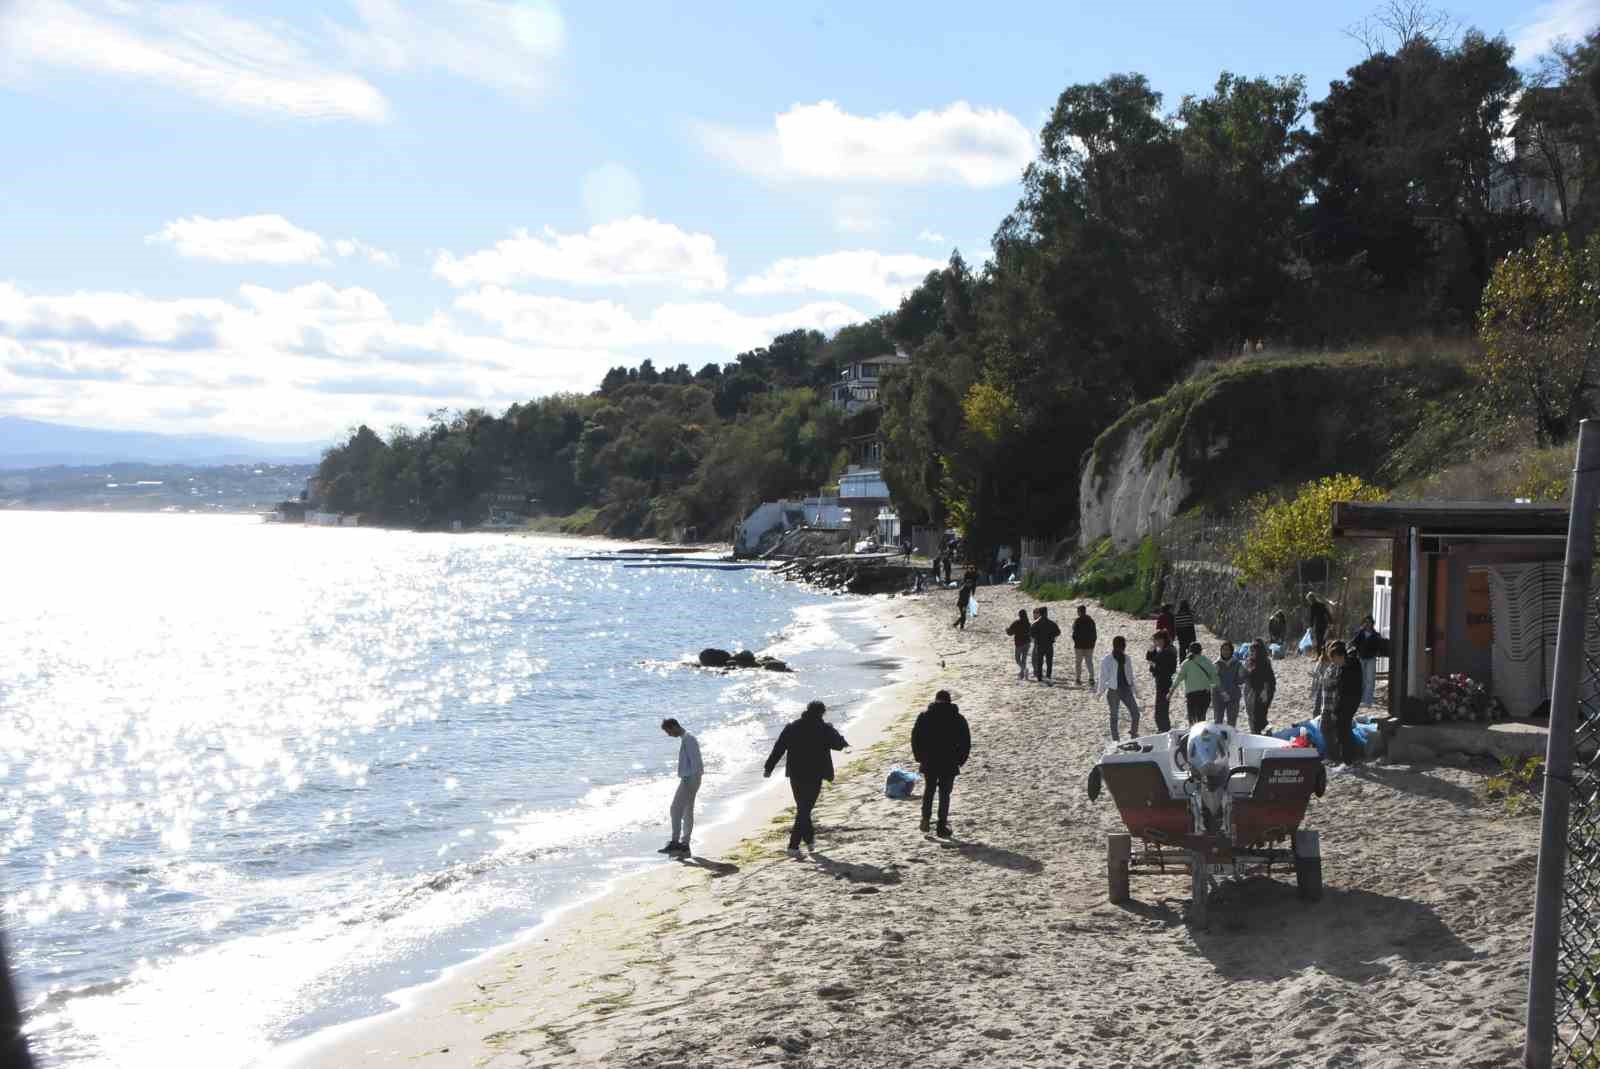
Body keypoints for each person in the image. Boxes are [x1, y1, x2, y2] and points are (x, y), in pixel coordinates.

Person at [764, 701, 850, 856]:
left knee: (803, 808)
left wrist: (768, 768)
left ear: (807, 710)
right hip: (814, 774)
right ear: (822, 713)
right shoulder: (824, 729)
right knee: (804, 809)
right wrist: (836, 733)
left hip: (795, 774)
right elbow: (839, 744)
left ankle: (809, 841)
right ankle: (793, 846)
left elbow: (779, 748)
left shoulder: (792, 727)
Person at [911, 689, 971, 837]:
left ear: (935, 700)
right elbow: (966, 742)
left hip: (929, 760)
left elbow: (915, 738)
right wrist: (960, 761)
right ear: (949, 701)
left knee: (929, 790)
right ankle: (941, 826)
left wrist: (919, 757)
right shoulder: (958, 718)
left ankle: (925, 819)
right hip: (949, 762)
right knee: (945, 794)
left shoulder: (924, 716)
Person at [659, 718, 703, 855]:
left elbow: (696, 763)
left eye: (668, 731)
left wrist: (689, 783)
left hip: (690, 779)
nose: (669, 735)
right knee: (687, 811)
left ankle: (676, 842)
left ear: (674, 726)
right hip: (690, 778)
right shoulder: (687, 738)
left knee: (675, 809)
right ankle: (685, 843)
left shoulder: (689, 739)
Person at [1098, 635, 1142, 741]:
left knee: (1136, 713)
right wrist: (1100, 691)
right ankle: (1115, 739)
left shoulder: (1127, 658)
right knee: (1114, 716)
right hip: (1113, 691)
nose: (1122, 649)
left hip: (1126, 689)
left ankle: (1133, 733)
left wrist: (1136, 691)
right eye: (1120, 646)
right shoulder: (1107, 659)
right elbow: (1103, 676)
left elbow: (1130, 676)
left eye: (1123, 647)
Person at [1176, 642, 1219, 724]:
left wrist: (1171, 691)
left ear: (1189, 651)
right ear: (1200, 651)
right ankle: (1200, 733)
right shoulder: (1207, 661)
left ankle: (1193, 732)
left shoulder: (1186, 663)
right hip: (1205, 694)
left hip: (1191, 695)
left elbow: (1178, 678)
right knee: (1202, 717)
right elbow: (1215, 678)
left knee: (1192, 718)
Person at [1146, 630, 1177, 732]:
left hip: (1164, 681)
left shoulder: (1168, 651)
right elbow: (1151, 659)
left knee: (1161, 709)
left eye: (1156, 640)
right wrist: (1151, 650)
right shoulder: (1165, 649)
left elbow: (1161, 666)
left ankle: (1164, 729)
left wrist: (1154, 665)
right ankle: (1163, 728)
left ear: (1162, 640)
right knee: (1161, 708)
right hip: (1162, 681)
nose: (1155, 642)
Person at [1244, 638, 1277, 734]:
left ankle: (1260, 733)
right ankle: (1261, 732)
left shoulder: (1264, 662)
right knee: (1251, 715)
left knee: (1259, 715)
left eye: (1255, 650)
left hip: (1263, 691)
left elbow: (1269, 679)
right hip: (1250, 691)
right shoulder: (1249, 661)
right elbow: (1245, 677)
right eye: (1251, 650)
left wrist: (1265, 692)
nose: (1252, 652)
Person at [1351, 615, 1384, 707]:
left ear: (1372, 624)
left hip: (1371, 658)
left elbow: (1379, 646)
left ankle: (1368, 700)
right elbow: (1353, 643)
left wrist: (1377, 652)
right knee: (1362, 678)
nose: (1367, 624)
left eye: (1369, 622)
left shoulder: (1376, 635)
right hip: (1361, 657)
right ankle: (1361, 699)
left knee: (1370, 679)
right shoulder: (1360, 633)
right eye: (1366, 622)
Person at [1213, 641, 1243, 726]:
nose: (1225, 652)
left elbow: (1241, 679)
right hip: (1218, 696)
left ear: (1231, 651)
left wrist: (1242, 676)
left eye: (1227, 650)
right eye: (1223, 650)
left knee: (1232, 721)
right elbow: (1214, 681)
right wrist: (1222, 692)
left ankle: (1231, 738)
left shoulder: (1238, 664)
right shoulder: (1216, 664)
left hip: (1233, 696)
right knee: (1218, 720)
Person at [1030, 606, 1061, 682]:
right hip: (1049, 645)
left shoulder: (1036, 623)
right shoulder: (1051, 623)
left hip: (1039, 645)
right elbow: (1058, 632)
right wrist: (1052, 637)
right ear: (1046, 613)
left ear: (1039, 613)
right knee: (1049, 662)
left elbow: (1031, 634)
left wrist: (1036, 638)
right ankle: (1048, 676)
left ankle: (1039, 677)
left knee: (1039, 662)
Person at [1071, 605, 1098, 686]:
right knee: (1089, 662)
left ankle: (1078, 679)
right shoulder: (1091, 620)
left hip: (1079, 645)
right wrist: (1093, 643)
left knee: (1078, 662)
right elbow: (1094, 634)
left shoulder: (1077, 621)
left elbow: (1074, 632)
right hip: (1089, 645)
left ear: (1079, 612)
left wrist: (1075, 641)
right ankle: (1091, 678)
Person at [1006, 609, 1032, 681]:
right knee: (1024, 659)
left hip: (1019, 643)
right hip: (1027, 643)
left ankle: (1024, 669)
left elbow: (1010, 633)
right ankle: (1022, 672)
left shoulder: (1016, 623)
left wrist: (1007, 630)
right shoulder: (1028, 623)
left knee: (1017, 659)